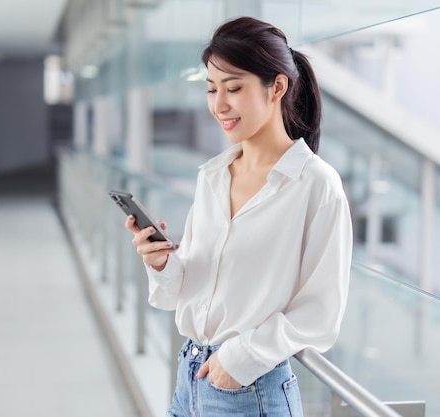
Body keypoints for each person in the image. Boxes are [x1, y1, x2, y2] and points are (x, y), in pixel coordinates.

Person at [126, 16, 352, 417]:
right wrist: (161, 262)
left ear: (277, 87)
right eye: (211, 89)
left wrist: (241, 359)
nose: (219, 104)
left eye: (233, 88)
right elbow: (194, 285)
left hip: (249, 389)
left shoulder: (315, 184)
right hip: (190, 379)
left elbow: (321, 312)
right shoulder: (213, 175)